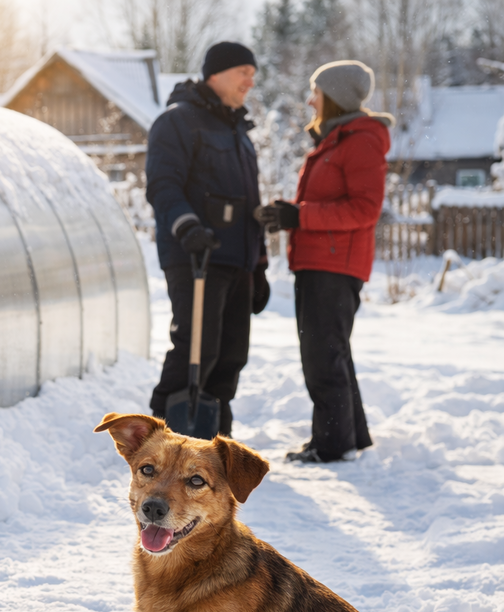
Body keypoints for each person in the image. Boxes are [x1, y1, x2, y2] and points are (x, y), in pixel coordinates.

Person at [255, 61, 392, 463]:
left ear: (334, 97)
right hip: (321, 262)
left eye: (316, 91)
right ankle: (352, 436)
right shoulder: (337, 138)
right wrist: (289, 212)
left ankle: (332, 445)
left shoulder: (359, 141)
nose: (310, 98)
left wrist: (301, 217)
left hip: (335, 267)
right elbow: (328, 203)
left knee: (322, 356)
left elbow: (365, 209)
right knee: (332, 352)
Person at [145, 42, 269, 438]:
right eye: (243, 72)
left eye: (253, 73)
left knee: (231, 357)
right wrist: (187, 227)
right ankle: (157, 439)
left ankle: (215, 443)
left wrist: (260, 265)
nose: (251, 81)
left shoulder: (239, 132)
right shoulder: (177, 122)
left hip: (238, 262)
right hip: (196, 257)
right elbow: (163, 185)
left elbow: (252, 204)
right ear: (215, 73)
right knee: (195, 350)